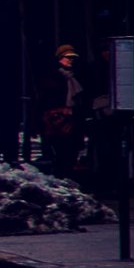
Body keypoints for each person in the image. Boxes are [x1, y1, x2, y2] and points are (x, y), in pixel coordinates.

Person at [39, 44, 87, 176]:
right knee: (61, 150)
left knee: (72, 150)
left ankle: (67, 173)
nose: (70, 60)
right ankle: (61, 174)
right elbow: (46, 99)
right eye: (68, 57)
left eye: (72, 58)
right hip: (58, 120)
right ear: (60, 58)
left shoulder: (75, 77)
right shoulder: (53, 77)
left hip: (73, 119)